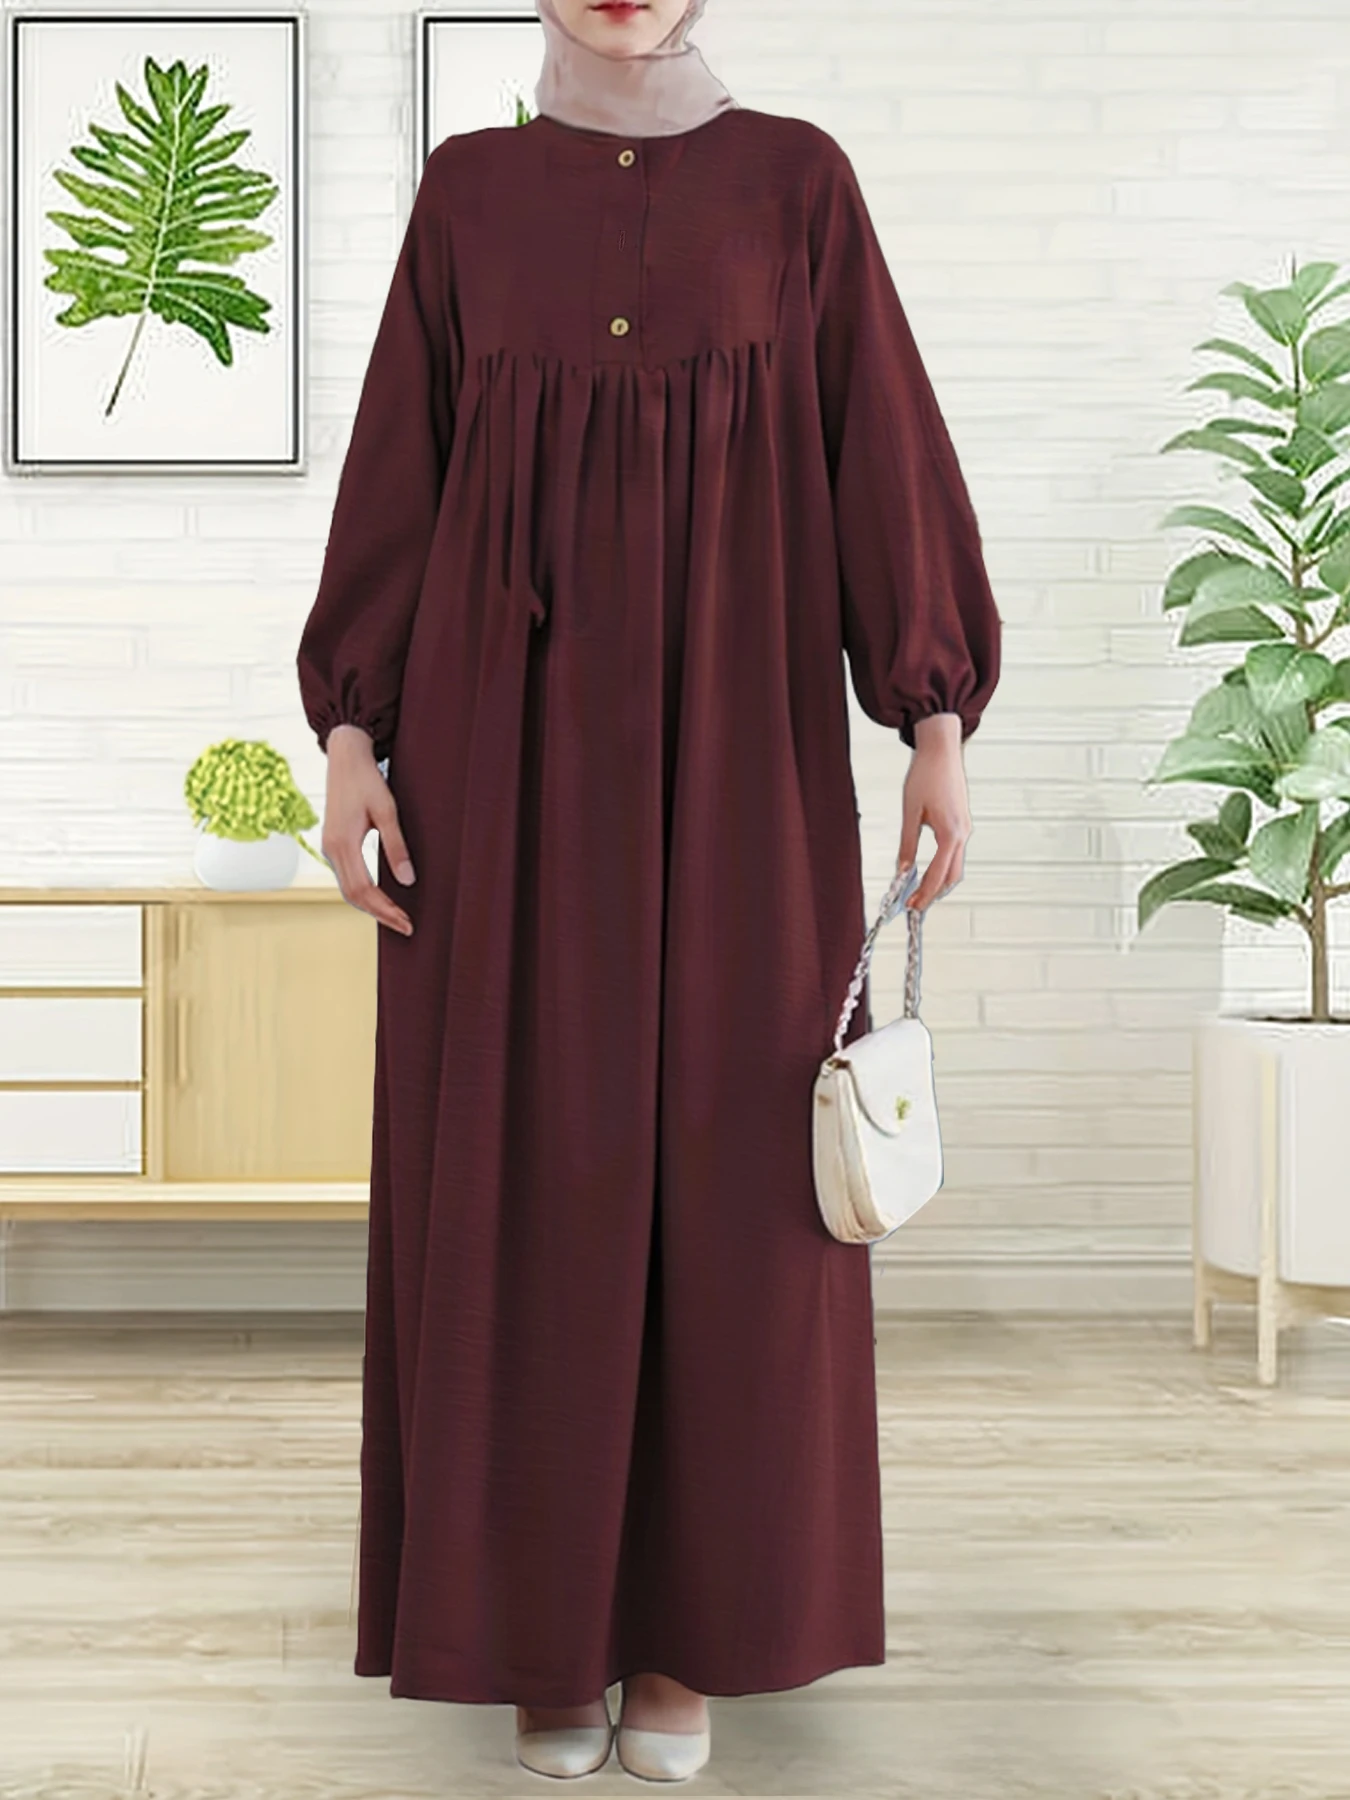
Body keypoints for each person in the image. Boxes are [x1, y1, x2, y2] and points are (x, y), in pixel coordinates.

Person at [295, 0, 1001, 1783]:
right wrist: (355, 734)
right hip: (498, 763)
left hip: (744, 761)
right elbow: (397, 471)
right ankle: (542, 1631)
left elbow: (880, 453)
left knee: (737, 1184)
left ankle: (691, 1641)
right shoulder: (469, 195)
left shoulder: (796, 186)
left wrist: (930, 720)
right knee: (523, 1173)